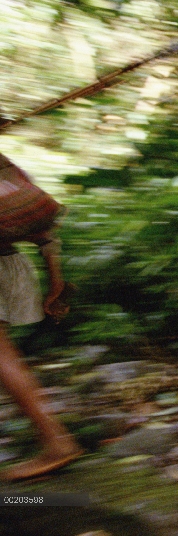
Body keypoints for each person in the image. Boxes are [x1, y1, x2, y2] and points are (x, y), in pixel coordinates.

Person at [0, 153, 82, 480]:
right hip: (11, 266)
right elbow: (46, 235)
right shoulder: (8, 169)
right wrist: (56, 283)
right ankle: (55, 439)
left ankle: (56, 441)